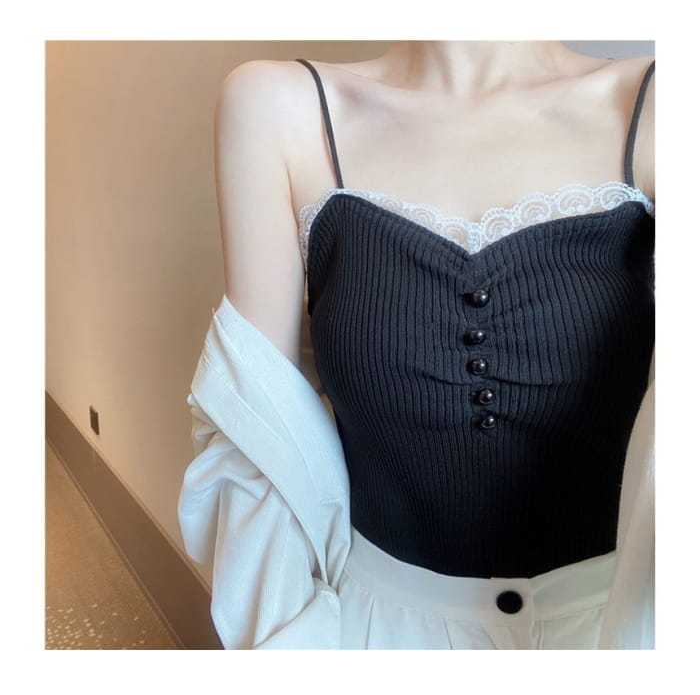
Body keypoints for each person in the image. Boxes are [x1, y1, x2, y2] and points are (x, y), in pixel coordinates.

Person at [191, 41, 655, 649]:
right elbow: (257, 435)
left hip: (620, 632)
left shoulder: (658, 105)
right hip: (370, 634)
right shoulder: (278, 109)